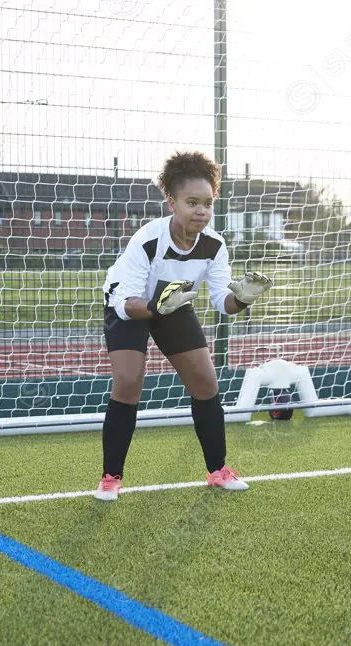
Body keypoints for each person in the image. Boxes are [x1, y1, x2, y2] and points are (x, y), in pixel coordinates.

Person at [96, 150, 273, 501]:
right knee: (129, 381)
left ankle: (218, 471)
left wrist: (244, 299)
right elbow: (127, 303)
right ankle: (110, 478)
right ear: (171, 201)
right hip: (132, 305)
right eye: (192, 202)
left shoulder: (215, 245)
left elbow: (223, 302)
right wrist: (155, 306)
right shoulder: (148, 239)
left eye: (207, 203)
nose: (201, 211)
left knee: (206, 382)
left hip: (175, 304)